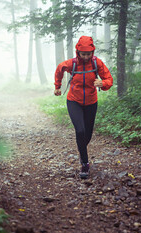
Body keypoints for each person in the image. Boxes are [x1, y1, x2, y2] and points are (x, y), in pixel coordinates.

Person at [54, 36, 113, 179]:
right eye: (83, 54)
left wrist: (103, 84)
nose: (86, 57)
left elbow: (109, 79)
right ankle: (85, 164)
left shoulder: (96, 63)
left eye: (88, 54)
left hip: (91, 102)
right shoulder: (72, 64)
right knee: (80, 130)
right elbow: (59, 69)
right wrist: (57, 86)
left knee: (87, 134)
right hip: (74, 101)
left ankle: (82, 150)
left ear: (92, 52)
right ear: (78, 52)